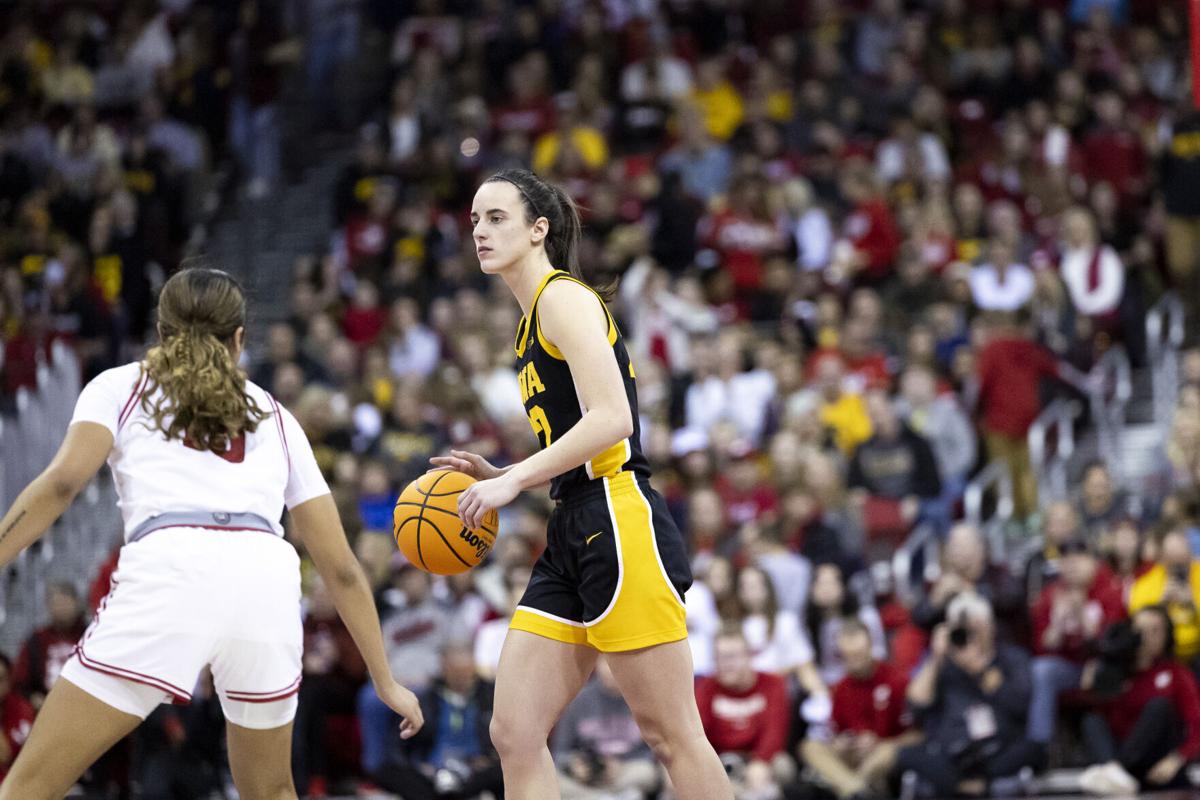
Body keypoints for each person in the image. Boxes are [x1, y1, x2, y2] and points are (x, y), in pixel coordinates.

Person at [0, 267, 423, 800]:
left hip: (172, 567)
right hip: (264, 581)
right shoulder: (276, 414)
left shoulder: (121, 386)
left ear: (161, 330)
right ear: (240, 339)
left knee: (28, 786)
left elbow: (62, 485)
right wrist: (384, 680)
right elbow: (340, 566)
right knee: (270, 791)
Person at [432, 168, 732, 799]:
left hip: (619, 518)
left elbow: (613, 418)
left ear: (539, 229)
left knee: (670, 733)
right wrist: (506, 473)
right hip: (573, 523)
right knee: (514, 732)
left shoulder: (563, 298)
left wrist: (514, 479)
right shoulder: (526, 323)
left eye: (496, 218)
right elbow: (577, 439)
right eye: (474, 221)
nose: (480, 232)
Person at [898, 592, 1041, 798]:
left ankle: (970, 787)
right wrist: (936, 658)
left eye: (977, 627)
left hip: (998, 748)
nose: (971, 634)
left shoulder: (1012, 657)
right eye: (964, 629)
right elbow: (915, 706)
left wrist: (979, 668)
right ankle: (973, 789)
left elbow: (1019, 704)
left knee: (1033, 749)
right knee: (907, 755)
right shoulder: (943, 664)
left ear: (990, 626)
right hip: (952, 753)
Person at [1079, 606, 1200, 795]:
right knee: (1092, 720)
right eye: (1140, 630)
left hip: (1158, 765)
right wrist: (1089, 686)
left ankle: (1114, 771)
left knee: (1159, 706)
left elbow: (1197, 723)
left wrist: (1178, 758)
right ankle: (1113, 771)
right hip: (1123, 763)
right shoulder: (1114, 672)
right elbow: (1098, 715)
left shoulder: (1177, 673)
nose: (1146, 637)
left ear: (1167, 635)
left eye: (1155, 630)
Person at [801, 619, 915, 800]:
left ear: (870, 647)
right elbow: (835, 733)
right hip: (853, 755)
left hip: (884, 753)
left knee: (888, 751)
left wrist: (880, 742)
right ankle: (858, 791)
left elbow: (916, 734)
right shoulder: (841, 688)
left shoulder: (897, 680)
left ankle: (853, 788)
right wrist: (842, 743)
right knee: (810, 747)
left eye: (858, 655)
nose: (853, 661)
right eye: (846, 656)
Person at [694, 628, 794, 800]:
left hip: (756, 756)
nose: (725, 664)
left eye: (732, 657)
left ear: (749, 656)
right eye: (719, 657)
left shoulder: (773, 684)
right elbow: (697, 733)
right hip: (719, 761)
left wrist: (761, 762)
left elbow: (775, 731)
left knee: (783, 765)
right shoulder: (706, 687)